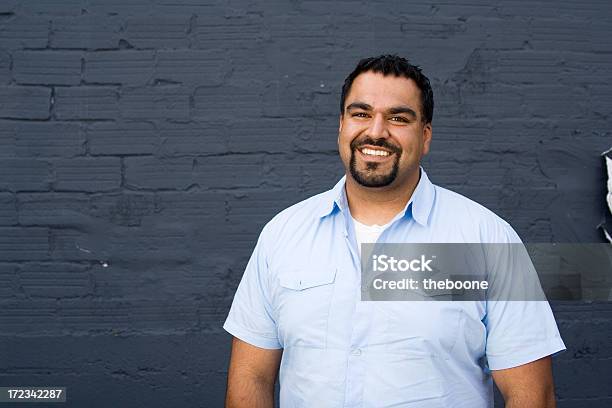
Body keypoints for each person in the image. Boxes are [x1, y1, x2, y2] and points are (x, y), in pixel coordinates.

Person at [223, 55, 565, 407]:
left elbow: (532, 395)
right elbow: (252, 378)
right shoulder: (282, 235)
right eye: (361, 113)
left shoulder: (487, 239)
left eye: (399, 118)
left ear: (426, 135)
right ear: (341, 124)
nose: (375, 131)